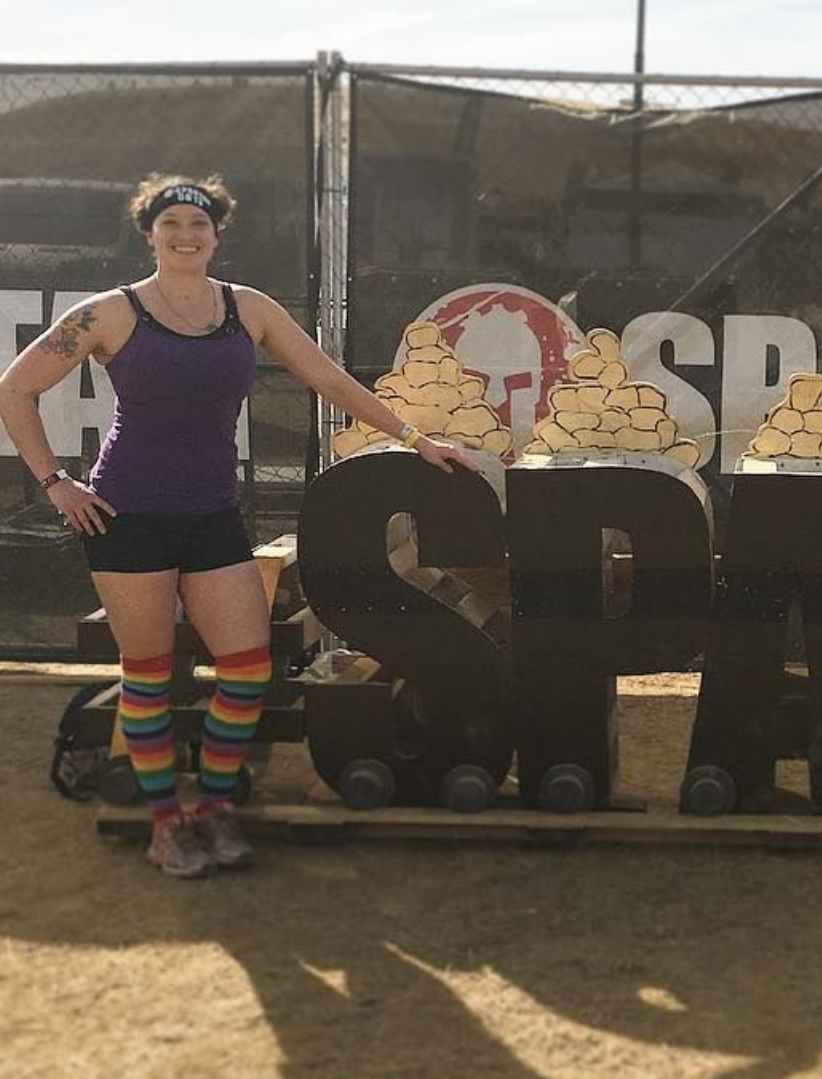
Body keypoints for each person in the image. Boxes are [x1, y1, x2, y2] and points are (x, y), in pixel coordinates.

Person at [0, 174, 476, 878]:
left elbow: (331, 381)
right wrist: (55, 482)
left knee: (247, 669)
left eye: (199, 225)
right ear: (150, 234)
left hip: (212, 515)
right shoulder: (109, 313)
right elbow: (15, 388)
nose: (185, 235)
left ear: (217, 236)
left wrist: (415, 438)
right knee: (150, 675)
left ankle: (214, 804)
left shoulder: (246, 309)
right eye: (171, 225)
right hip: (127, 517)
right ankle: (167, 824)